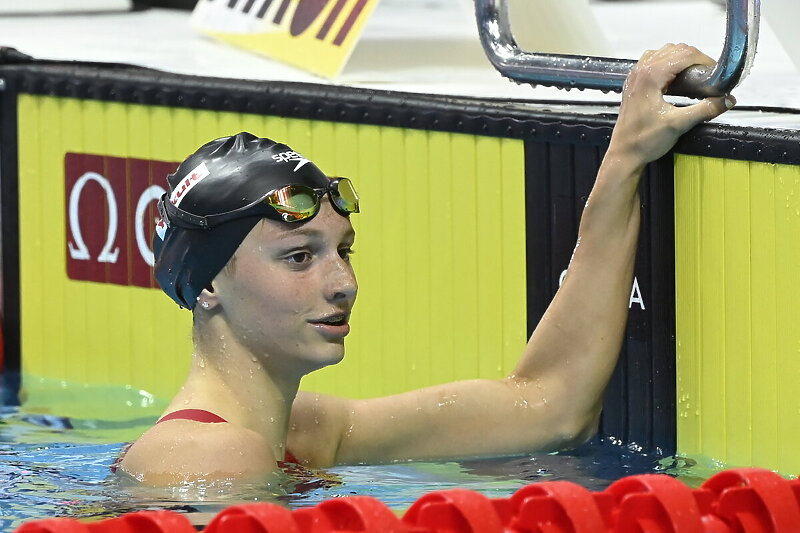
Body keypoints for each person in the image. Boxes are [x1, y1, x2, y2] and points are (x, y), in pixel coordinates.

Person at [117, 44, 735, 486]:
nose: (344, 284)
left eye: (343, 251)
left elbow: (552, 406)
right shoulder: (207, 462)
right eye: (299, 257)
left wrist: (625, 155)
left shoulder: (304, 432)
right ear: (207, 286)